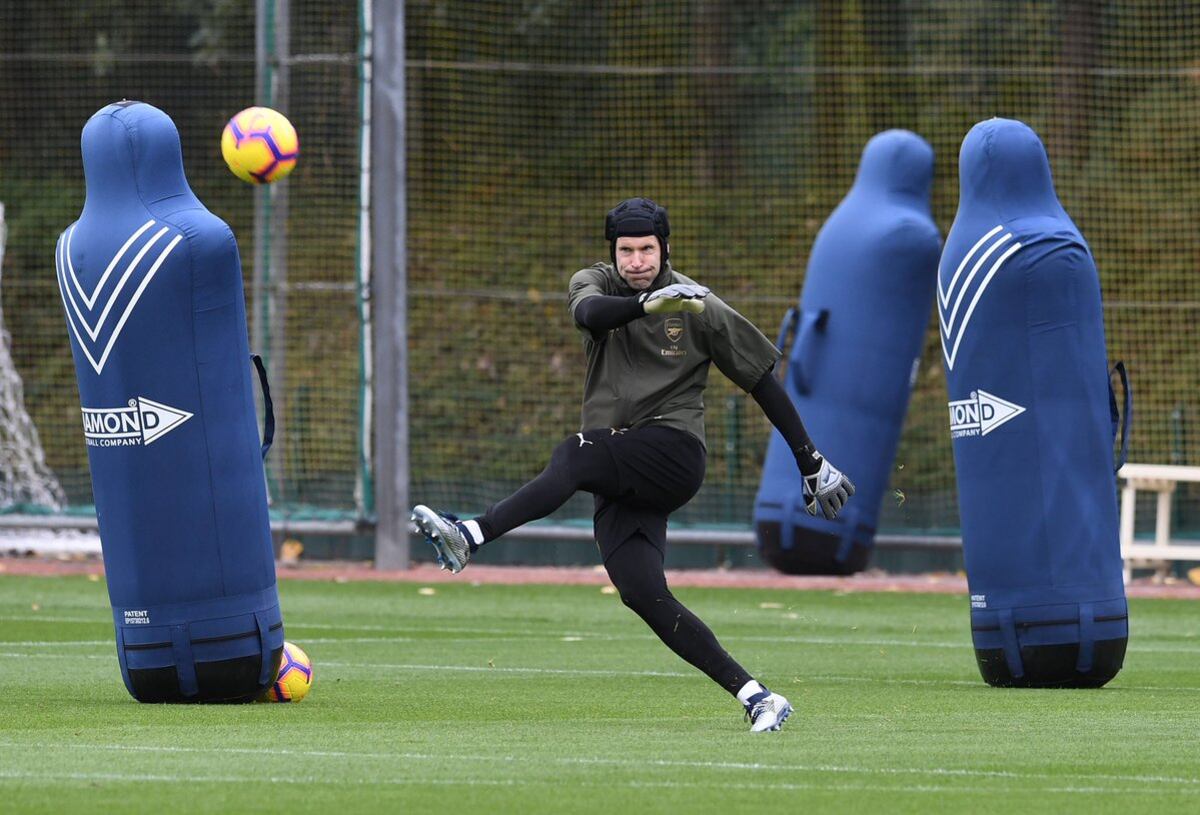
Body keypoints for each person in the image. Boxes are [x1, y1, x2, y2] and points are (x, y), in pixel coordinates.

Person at [412, 197, 854, 732]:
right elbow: (588, 314)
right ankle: (758, 695)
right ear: (613, 252)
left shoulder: (701, 306)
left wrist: (810, 461)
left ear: (665, 248)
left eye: (647, 249)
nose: (637, 260)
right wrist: (647, 306)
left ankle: (471, 535)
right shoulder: (594, 282)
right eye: (627, 250)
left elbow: (763, 384)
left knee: (574, 454)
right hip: (620, 465)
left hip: (673, 453)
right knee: (643, 592)